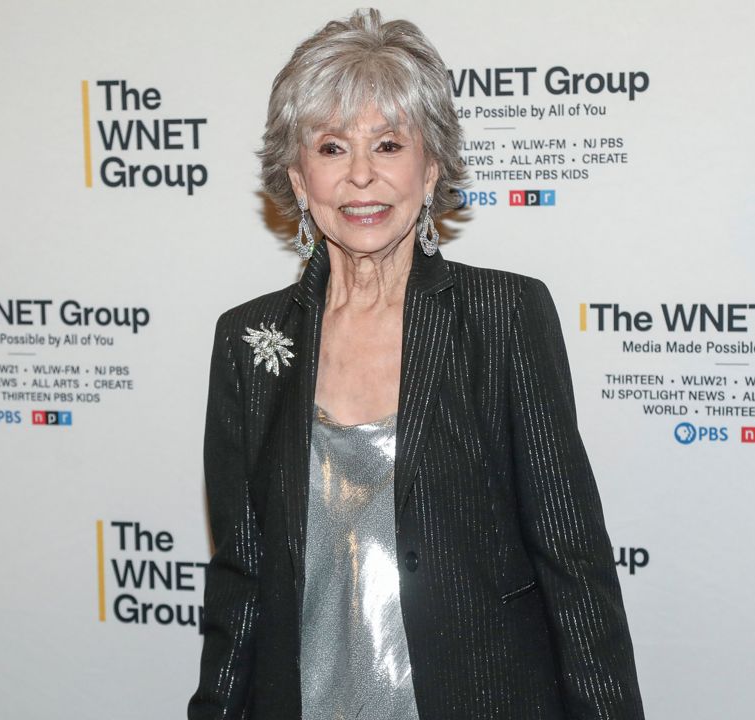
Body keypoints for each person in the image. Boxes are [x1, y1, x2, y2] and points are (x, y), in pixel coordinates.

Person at [189, 9, 644, 719]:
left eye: (389, 144)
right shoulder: (248, 340)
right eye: (333, 147)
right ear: (299, 179)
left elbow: (572, 559)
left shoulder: (503, 316)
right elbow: (241, 577)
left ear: (431, 168)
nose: (362, 175)